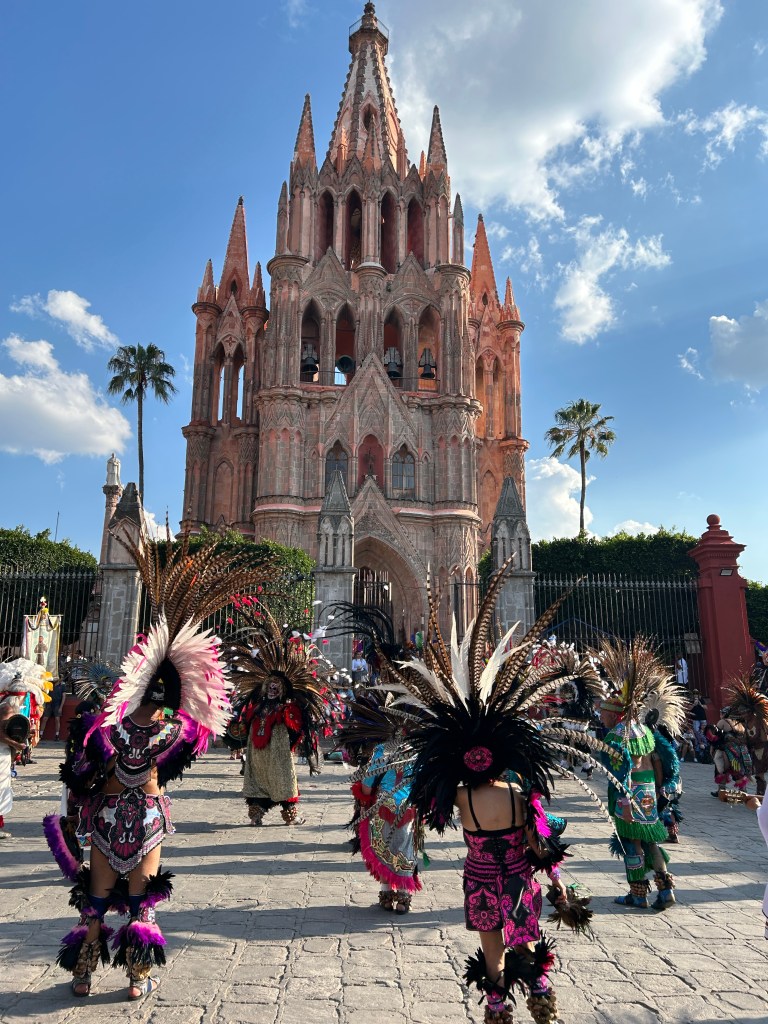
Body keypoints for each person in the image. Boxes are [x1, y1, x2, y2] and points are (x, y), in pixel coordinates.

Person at [365, 563, 626, 1024]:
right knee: (525, 941)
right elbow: (543, 847)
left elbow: (427, 800)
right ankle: (541, 994)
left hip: (480, 882)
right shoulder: (520, 796)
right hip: (520, 881)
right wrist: (561, 890)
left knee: (492, 951)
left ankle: (497, 1006)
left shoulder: (460, 798)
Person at [44, 527, 272, 1000]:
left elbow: (81, 770)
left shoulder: (107, 729)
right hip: (147, 819)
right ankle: (137, 979)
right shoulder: (172, 732)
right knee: (141, 901)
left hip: (107, 819)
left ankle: (82, 976)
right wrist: (190, 680)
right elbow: (199, 731)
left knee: (94, 900)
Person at [598, 637, 688, 910]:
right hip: (649, 791)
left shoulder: (616, 735)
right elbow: (662, 759)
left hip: (629, 794)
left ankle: (638, 894)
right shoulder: (646, 731)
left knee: (631, 842)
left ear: (615, 715)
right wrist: (662, 788)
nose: (600, 717)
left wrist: (624, 797)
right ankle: (666, 889)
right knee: (650, 840)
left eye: (603, 713)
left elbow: (622, 768)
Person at [227, 606, 328, 827]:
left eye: (276, 687)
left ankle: (286, 816)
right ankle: (257, 815)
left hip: (278, 750)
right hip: (259, 750)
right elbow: (244, 722)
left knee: (282, 778)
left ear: (282, 689)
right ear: (264, 687)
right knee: (263, 778)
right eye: (270, 686)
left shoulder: (287, 709)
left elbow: (297, 728)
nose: (272, 689)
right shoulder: (257, 707)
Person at [690, 690, 709, 759]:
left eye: (697, 693)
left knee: (704, 731)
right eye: (694, 693)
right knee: (696, 731)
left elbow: (706, 708)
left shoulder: (701, 700)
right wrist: (693, 705)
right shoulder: (691, 700)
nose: (695, 695)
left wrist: (701, 704)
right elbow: (689, 709)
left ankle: (705, 744)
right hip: (695, 719)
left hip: (702, 717)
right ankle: (699, 744)